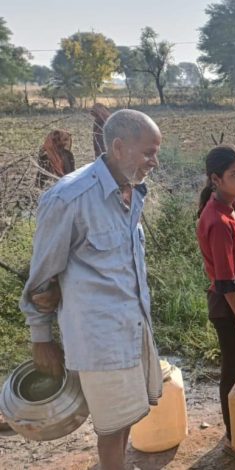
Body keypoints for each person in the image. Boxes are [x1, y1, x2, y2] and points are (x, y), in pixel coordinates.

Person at [20, 109, 163, 470]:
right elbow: (41, 278)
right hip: (100, 336)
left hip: (133, 325)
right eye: (149, 153)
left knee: (128, 416)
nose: (155, 162)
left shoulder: (132, 191)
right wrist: (41, 338)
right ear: (119, 147)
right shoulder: (69, 198)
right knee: (111, 428)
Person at [196, 144, 235, 462]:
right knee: (232, 371)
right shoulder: (218, 220)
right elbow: (224, 280)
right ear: (216, 179)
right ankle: (234, 438)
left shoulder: (228, 207)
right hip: (228, 307)